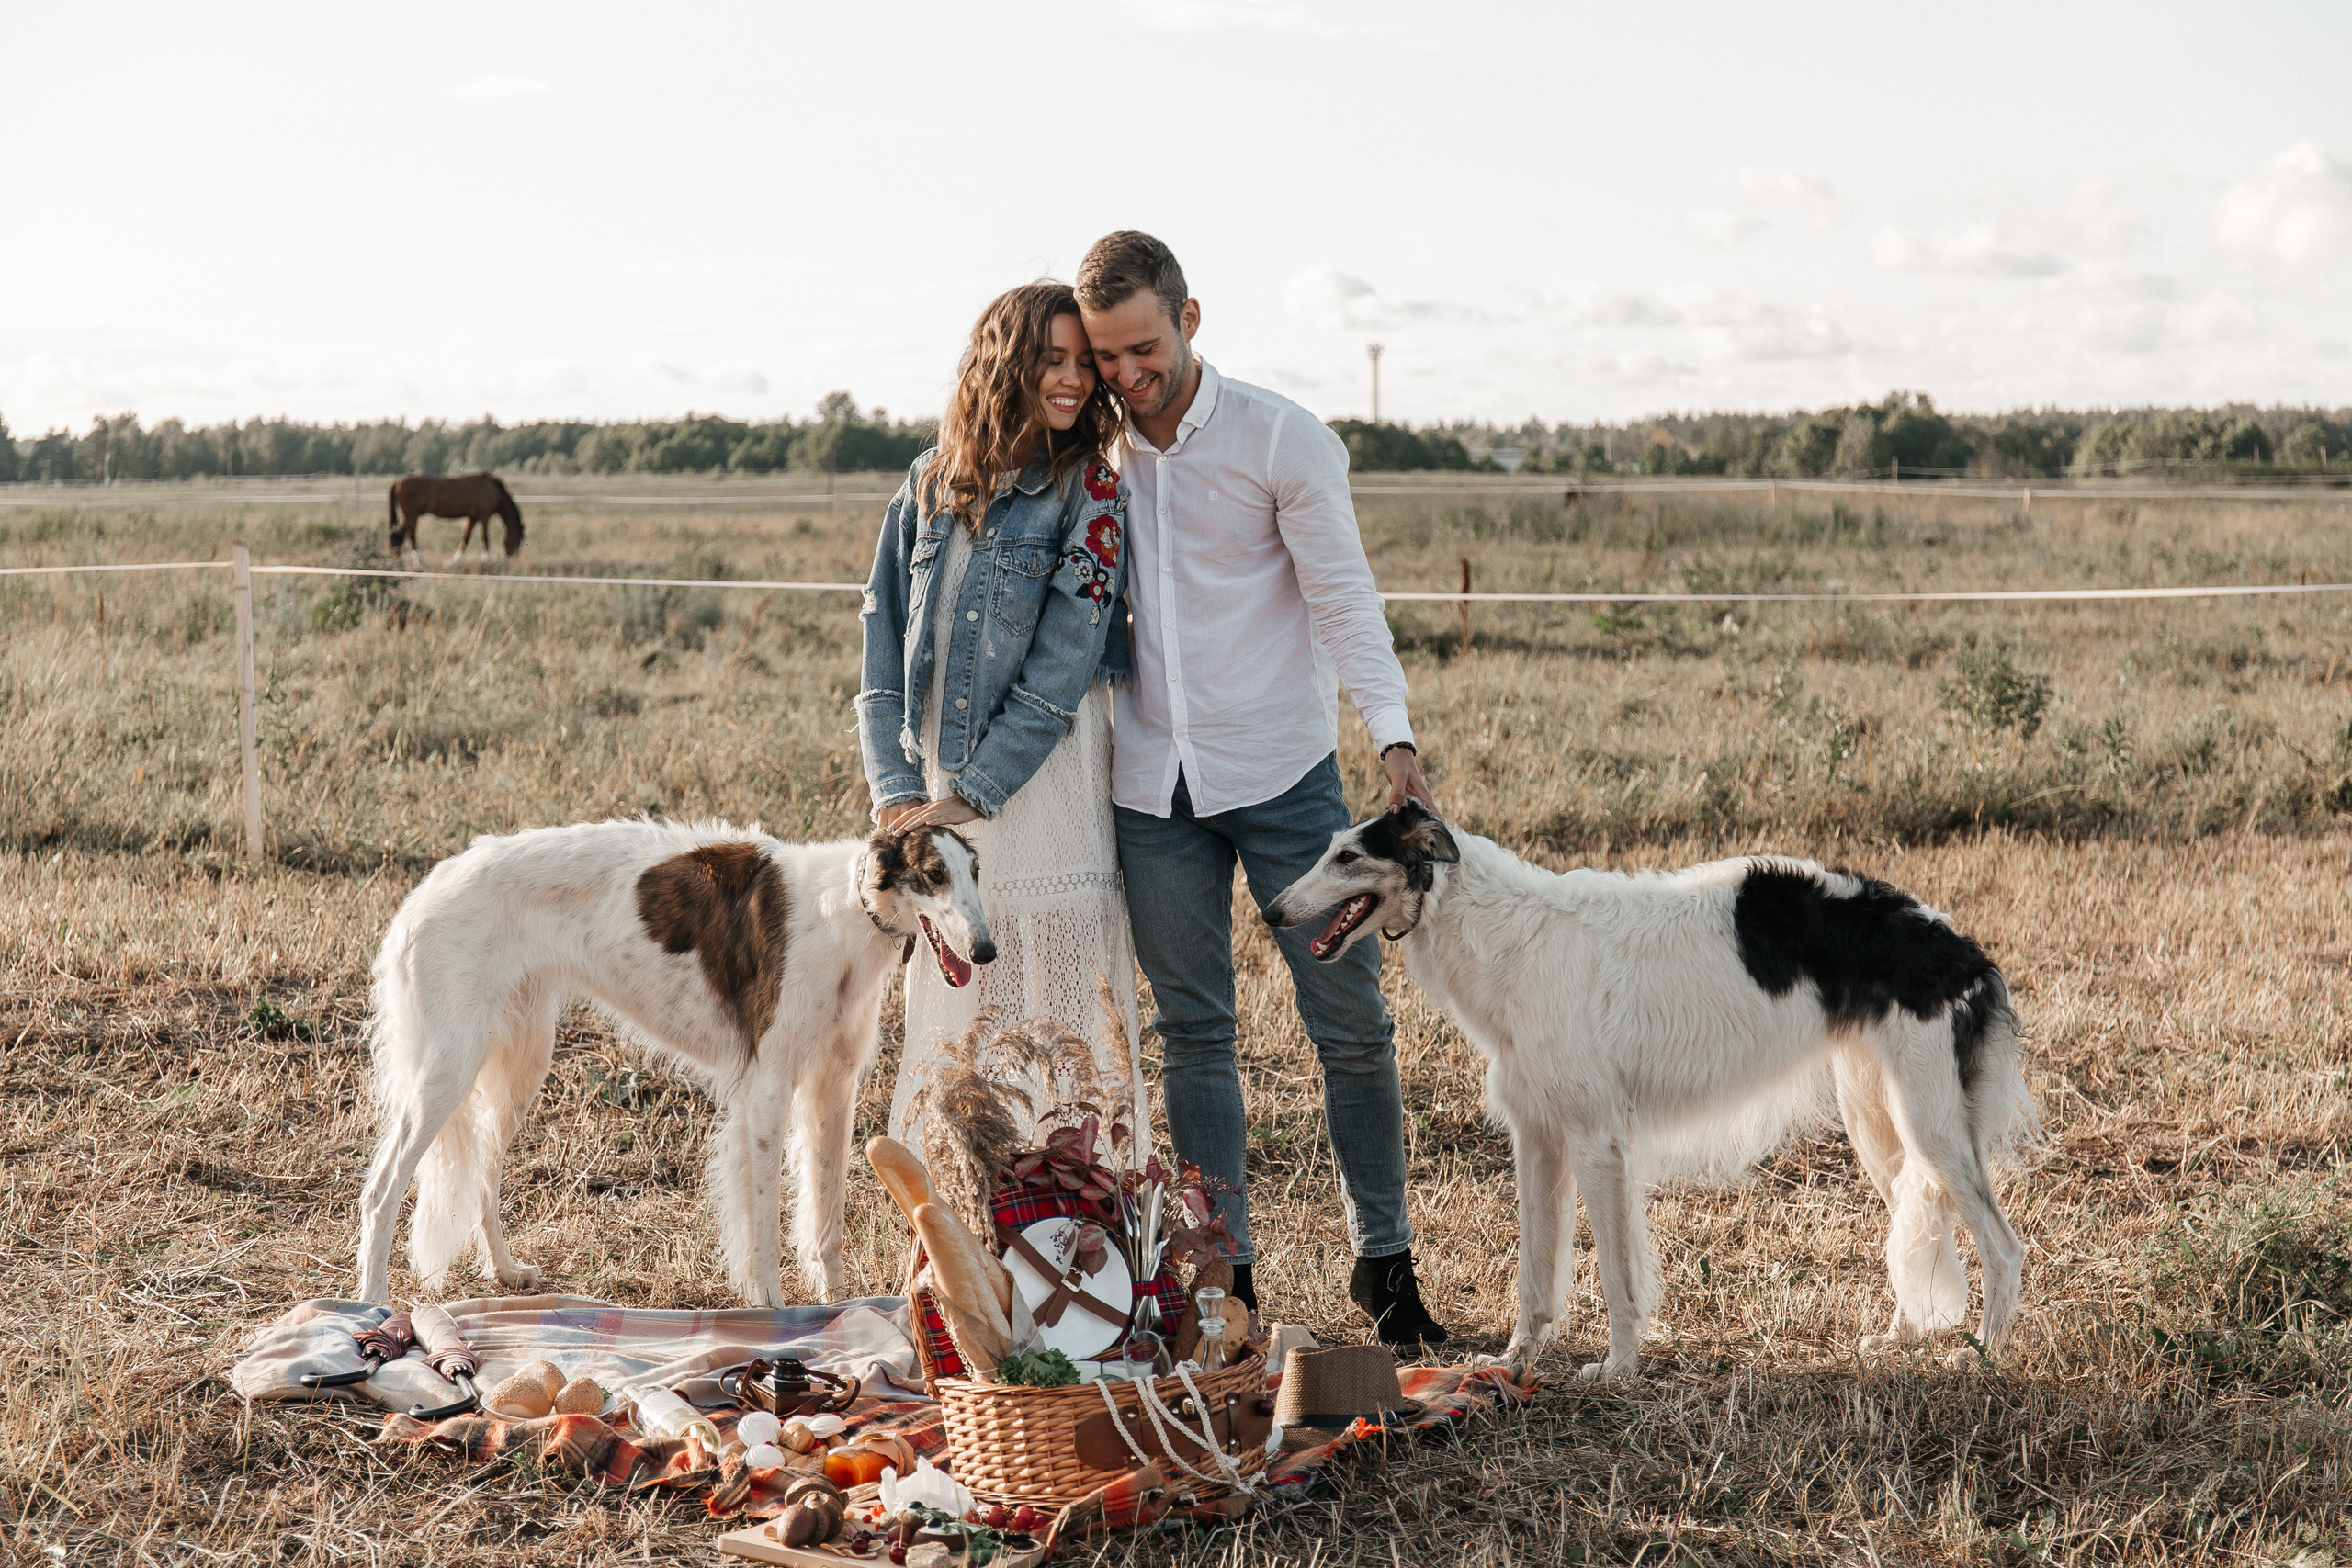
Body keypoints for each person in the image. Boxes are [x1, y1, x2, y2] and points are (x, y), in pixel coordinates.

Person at [1075, 231, 1451, 1348]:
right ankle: (1223, 1283)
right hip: (1151, 784)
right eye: (1105, 358)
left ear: (1190, 321)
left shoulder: (1282, 438)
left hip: (1284, 780)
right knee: (1194, 1030)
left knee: (1350, 1025)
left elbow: (1343, 599)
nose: (1126, 376)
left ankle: (1384, 1265)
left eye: (1141, 348)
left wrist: (1392, 742)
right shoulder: (1091, 454)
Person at [856, 281, 1145, 1147]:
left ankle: (1068, 1222)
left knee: (1053, 994)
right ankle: (964, 1209)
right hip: (940, 784)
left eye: (1082, 365)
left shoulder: (1090, 487)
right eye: (1049, 361)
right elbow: (880, 639)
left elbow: (1063, 669)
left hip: (1046, 780)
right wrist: (899, 794)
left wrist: (977, 794)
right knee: (963, 995)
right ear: (1002, 364)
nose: (1072, 382)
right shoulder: (932, 479)